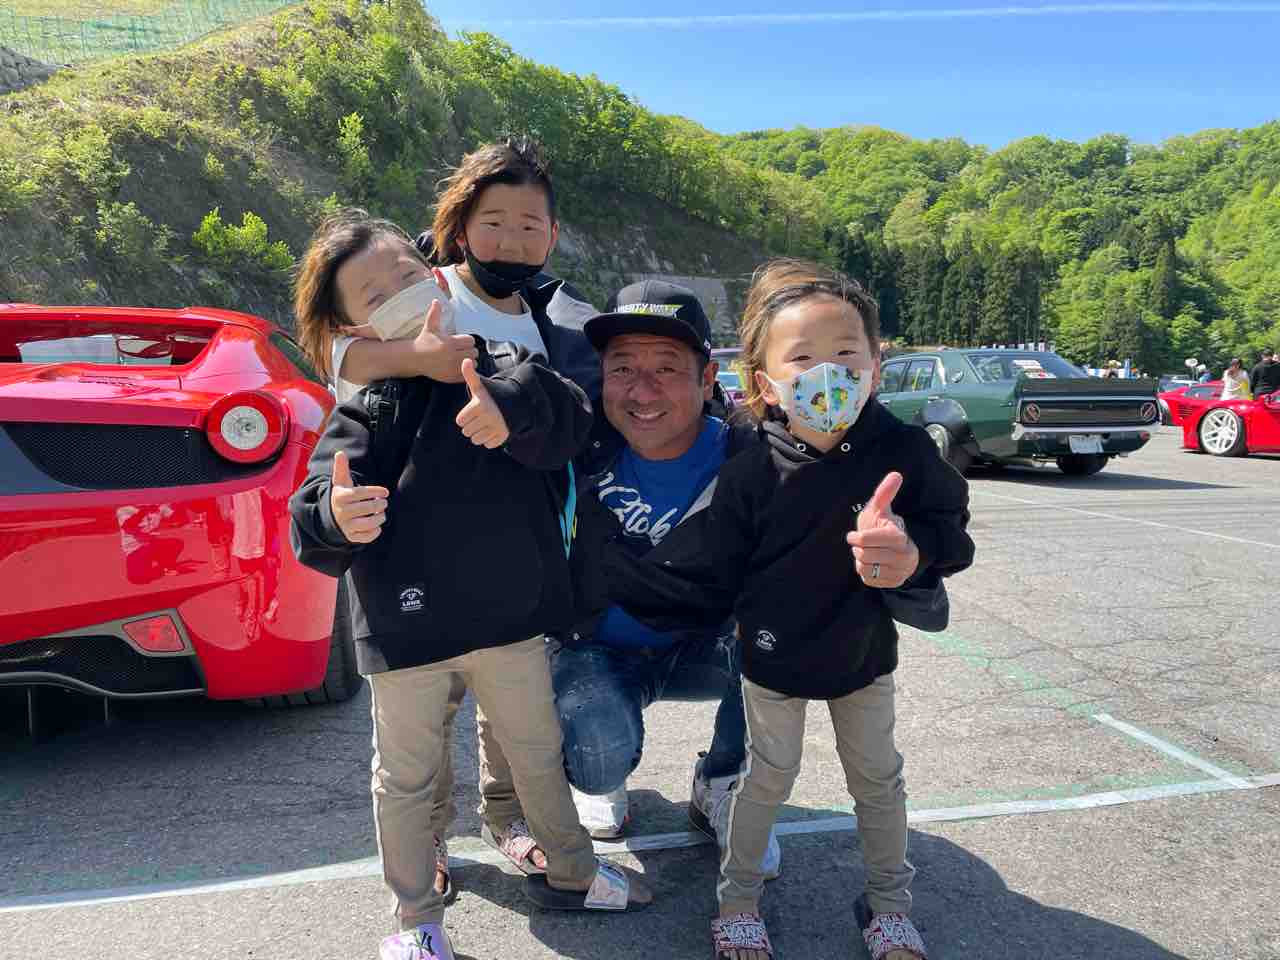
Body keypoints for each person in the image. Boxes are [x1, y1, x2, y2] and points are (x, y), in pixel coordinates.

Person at [289, 219, 650, 960]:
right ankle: (416, 919)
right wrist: (336, 514)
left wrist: (508, 415)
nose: (400, 293)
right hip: (406, 629)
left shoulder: (505, 362)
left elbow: (567, 421)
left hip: (509, 618)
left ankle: (574, 872)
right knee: (405, 778)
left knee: (536, 752)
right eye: (375, 294)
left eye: (405, 273)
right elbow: (317, 499)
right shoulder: (369, 406)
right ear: (356, 327)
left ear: (435, 274)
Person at [604, 260, 974, 960]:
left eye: (846, 354)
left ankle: (890, 906)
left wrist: (912, 550)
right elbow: (709, 562)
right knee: (765, 781)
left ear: (875, 366)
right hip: (770, 660)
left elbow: (952, 533)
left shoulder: (903, 451)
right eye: (802, 358)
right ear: (763, 382)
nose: (826, 374)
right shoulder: (752, 467)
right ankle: (738, 902)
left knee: (878, 781)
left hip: (864, 656)